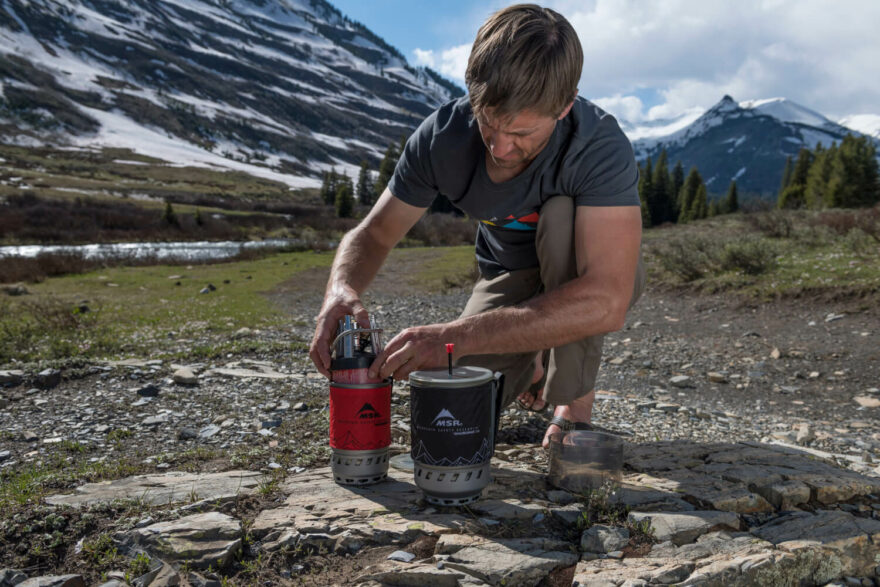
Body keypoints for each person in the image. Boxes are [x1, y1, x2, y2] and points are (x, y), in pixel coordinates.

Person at [309, 3, 645, 448]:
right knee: (456, 413)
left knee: (560, 216)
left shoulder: (598, 145)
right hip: (507, 275)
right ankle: (533, 357)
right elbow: (374, 233)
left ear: (564, 106)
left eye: (523, 134)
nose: (501, 148)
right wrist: (340, 290)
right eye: (489, 122)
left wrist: (454, 336)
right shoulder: (442, 138)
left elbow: (607, 300)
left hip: (588, 275)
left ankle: (573, 407)